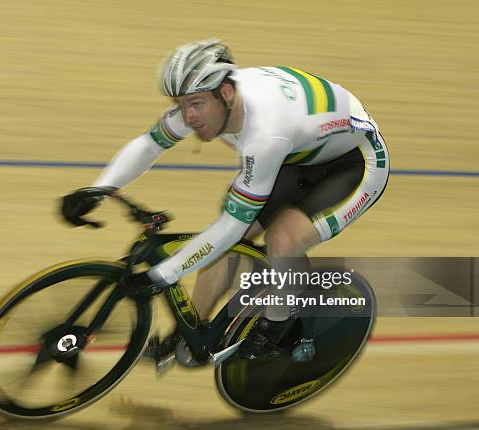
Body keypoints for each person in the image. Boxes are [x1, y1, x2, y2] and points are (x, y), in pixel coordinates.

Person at [61, 39, 389, 364]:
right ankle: (191, 330)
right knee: (224, 239)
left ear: (226, 94)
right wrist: (99, 190)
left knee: (281, 240)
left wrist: (162, 275)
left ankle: (275, 328)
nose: (187, 117)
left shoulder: (264, 133)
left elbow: (231, 227)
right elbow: (150, 145)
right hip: (300, 152)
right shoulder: (209, 97)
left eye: (196, 105)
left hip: (356, 162)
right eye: (180, 104)